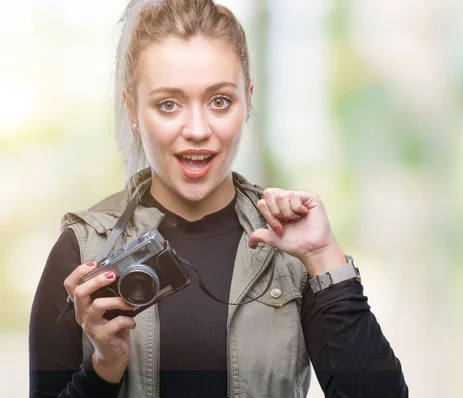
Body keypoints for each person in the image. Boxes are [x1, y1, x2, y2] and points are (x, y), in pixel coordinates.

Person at [29, 1, 408, 397]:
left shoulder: (292, 252)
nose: (197, 129)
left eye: (219, 101)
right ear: (132, 109)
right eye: (168, 104)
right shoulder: (83, 248)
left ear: (247, 100)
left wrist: (322, 254)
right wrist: (105, 367)